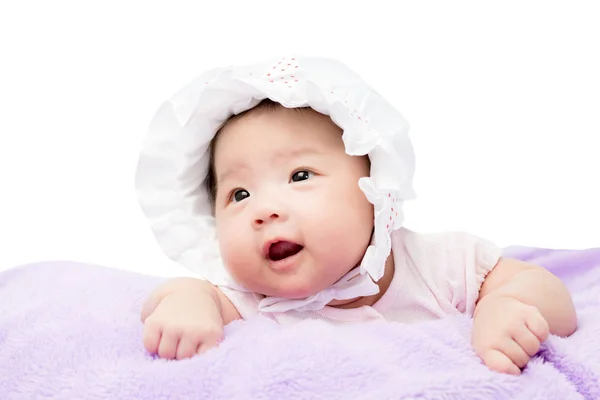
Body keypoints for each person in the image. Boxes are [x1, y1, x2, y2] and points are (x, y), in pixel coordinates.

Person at [134, 57, 577, 375]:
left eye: (300, 174)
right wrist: (186, 306)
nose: (264, 210)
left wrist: (507, 306)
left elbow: (548, 294)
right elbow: (177, 295)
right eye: (239, 193)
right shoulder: (248, 299)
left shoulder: (436, 265)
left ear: (375, 188)